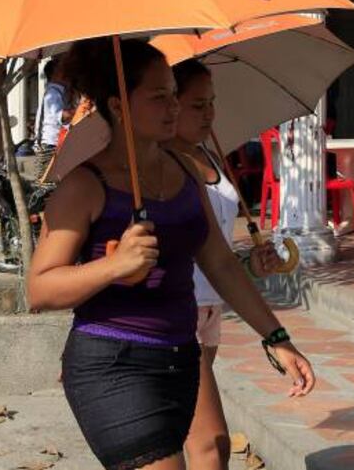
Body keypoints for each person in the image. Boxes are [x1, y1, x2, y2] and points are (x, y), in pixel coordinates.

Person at [27, 38, 315, 470]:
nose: (173, 108)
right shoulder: (84, 186)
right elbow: (38, 289)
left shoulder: (184, 172)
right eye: (159, 97)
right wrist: (114, 266)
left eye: (173, 96)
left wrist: (276, 337)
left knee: (211, 451)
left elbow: (218, 262)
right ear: (119, 105)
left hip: (181, 358)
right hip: (114, 363)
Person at [168, 58, 280, 470]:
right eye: (197, 105)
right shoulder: (159, 165)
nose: (209, 113)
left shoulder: (210, 156)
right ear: (170, 105)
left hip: (212, 306)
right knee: (211, 443)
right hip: (177, 310)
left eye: (211, 103)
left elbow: (215, 252)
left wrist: (251, 263)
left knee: (187, 430)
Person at [34, 57, 78, 182]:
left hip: (54, 144)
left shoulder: (60, 92)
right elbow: (63, 116)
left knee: (50, 183)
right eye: (63, 70)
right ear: (55, 74)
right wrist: (82, 110)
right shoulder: (53, 93)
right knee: (47, 185)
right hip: (49, 145)